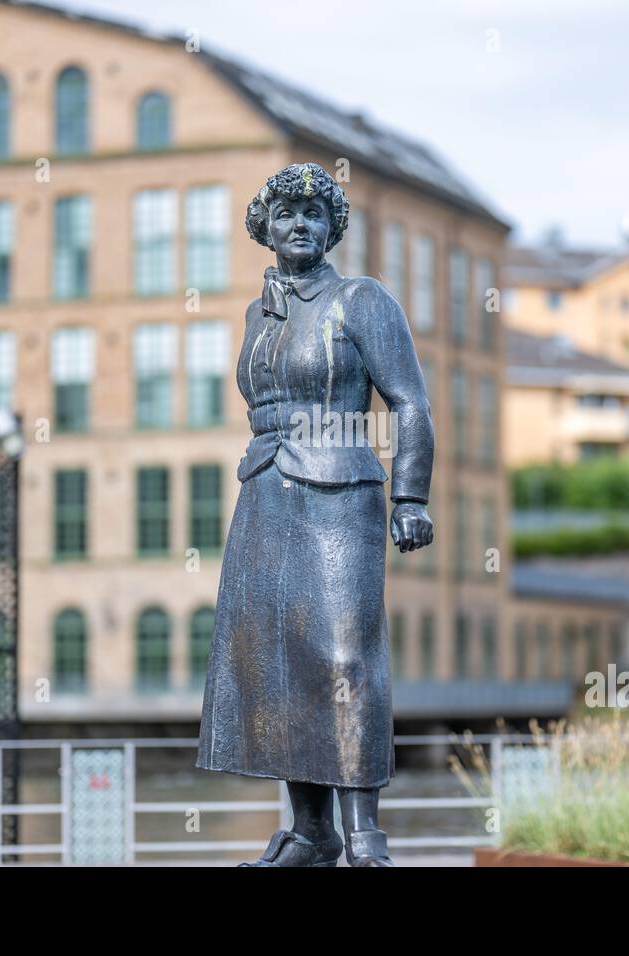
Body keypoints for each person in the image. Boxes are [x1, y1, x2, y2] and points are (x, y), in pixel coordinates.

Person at [196, 162, 435, 866]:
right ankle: (311, 832)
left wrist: (411, 496)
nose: (298, 224)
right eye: (284, 214)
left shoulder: (362, 299)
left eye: (312, 213)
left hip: (339, 493)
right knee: (280, 663)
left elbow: (410, 403)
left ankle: (364, 833)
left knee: (344, 656)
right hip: (266, 489)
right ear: (264, 228)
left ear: (333, 227)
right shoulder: (256, 312)